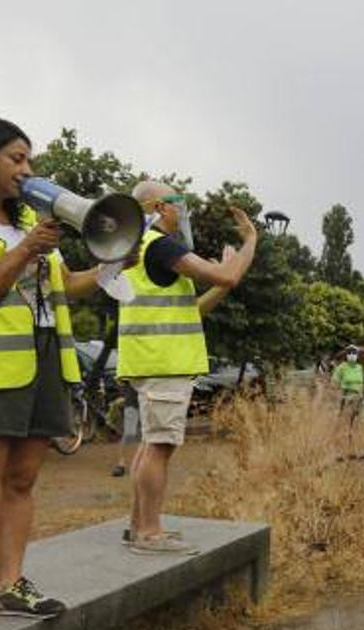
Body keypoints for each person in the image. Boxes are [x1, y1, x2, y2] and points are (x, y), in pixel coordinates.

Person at [0, 117, 114, 627]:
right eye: (16, 158)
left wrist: (108, 268)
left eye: (28, 159)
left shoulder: (26, 223)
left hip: (42, 361)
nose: (26, 170)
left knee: (21, 479)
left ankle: (9, 585)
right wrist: (27, 248)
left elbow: (63, 285)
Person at [118, 181, 254, 555]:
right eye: (180, 203)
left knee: (151, 445)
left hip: (149, 358)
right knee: (160, 446)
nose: (184, 212)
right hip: (164, 360)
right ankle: (149, 532)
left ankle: (137, 527)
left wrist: (225, 280)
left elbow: (191, 308)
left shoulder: (138, 249)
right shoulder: (160, 245)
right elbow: (227, 274)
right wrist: (250, 242)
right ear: (161, 207)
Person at [331, 346, 364, 453]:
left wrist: (362, 394)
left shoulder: (360, 367)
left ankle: (352, 449)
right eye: (350, 353)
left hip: (358, 397)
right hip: (346, 396)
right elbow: (334, 382)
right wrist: (340, 393)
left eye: (354, 353)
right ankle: (340, 449)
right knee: (344, 422)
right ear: (346, 355)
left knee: (355, 423)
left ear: (357, 355)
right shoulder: (342, 367)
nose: (352, 355)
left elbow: (362, 382)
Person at [112, 381, 139, 478]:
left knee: (148, 434)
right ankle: (121, 463)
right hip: (132, 400)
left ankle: (144, 463)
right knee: (129, 433)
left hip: (150, 399)